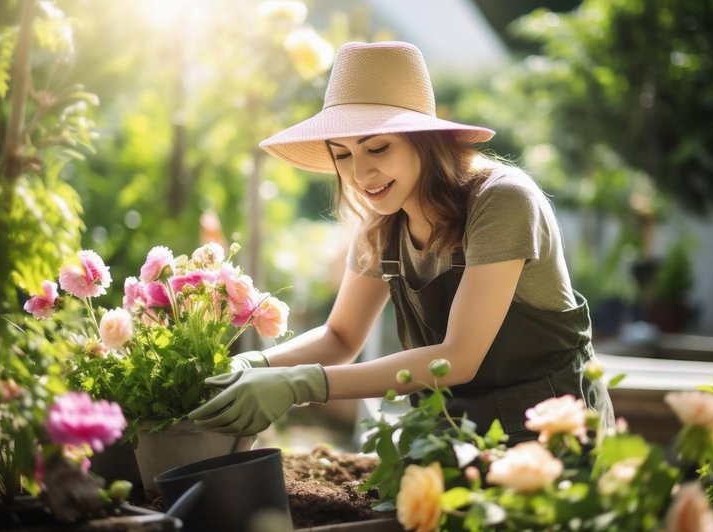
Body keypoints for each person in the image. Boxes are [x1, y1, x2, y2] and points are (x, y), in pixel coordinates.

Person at [189, 41, 614, 445]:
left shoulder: (502, 200)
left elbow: (459, 357)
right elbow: (340, 336)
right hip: (449, 431)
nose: (360, 174)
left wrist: (303, 384)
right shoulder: (381, 221)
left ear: (425, 141)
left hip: (551, 430)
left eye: (377, 148)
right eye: (342, 154)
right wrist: (252, 365)